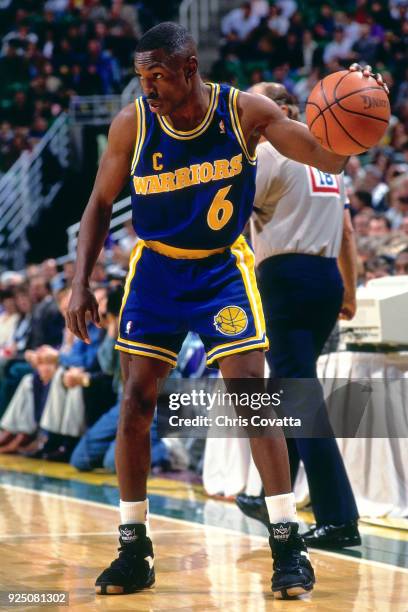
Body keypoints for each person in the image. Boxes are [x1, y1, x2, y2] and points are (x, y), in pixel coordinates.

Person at [66, 22, 384, 598]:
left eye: (157, 75)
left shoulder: (245, 113)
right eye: (142, 76)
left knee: (252, 395)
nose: (148, 87)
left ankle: (286, 541)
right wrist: (79, 283)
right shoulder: (133, 123)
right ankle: (134, 546)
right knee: (136, 398)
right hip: (157, 268)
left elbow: (328, 160)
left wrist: (359, 113)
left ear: (190, 68)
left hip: (220, 270)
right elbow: (98, 202)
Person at [235, 82, 361, 549]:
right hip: (327, 278)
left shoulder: (269, 153)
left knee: (298, 395)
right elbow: (346, 232)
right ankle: (272, 496)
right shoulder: (329, 160)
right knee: (291, 389)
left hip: (285, 278)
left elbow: (233, 215)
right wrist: (349, 289)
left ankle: (338, 517)